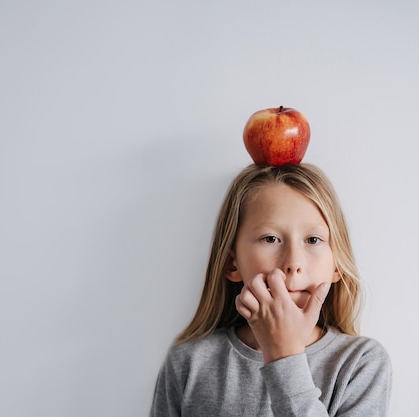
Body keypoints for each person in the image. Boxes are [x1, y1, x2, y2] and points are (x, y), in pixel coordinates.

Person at [151, 163, 391, 416]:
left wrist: (284, 355)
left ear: (337, 265)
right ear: (232, 263)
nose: (293, 264)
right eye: (270, 239)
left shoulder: (360, 362)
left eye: (313, 240)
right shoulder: (187, 362)